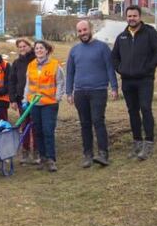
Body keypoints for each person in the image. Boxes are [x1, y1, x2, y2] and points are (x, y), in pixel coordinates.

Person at [111, 5, 157, 160]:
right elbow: (114, 57)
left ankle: (148, 143)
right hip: (128, 81)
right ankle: (137, 143)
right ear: (126, 17)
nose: (132, 19)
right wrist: (120, 69)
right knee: (132, 111)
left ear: (140, 17)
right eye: (129, 16)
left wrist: (148, 68)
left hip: (145, 80)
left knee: (145, 109)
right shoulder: (122, 36)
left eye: (134, 16)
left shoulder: (150, 33)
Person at [66, 20, 118, 168]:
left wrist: (114, 87)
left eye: (85, 30)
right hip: (80, 93)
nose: (83, 33)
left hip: (99, 91)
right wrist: (69, 92)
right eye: (80, 31)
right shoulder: (74, 50)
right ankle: (87, 155)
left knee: (98, 121)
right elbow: (70, 72)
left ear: (91, 29)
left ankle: (103, 154)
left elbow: (110, 68)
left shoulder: (102, 48)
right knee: (85, 124)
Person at [25, 40, 64, 172]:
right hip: (34, 104)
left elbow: (60, 82)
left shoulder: (54, 65)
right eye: (37, 49)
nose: (39, 50)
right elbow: (28, 84)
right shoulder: (31, 65)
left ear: (46, 50)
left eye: (41, 48)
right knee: (38, 131)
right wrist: (26, 99)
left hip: (49, 103)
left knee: (48, 130)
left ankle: (51, 159)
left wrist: (57, 97)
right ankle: (42, 158)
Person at [7, 37, 36, 163]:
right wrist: (12, 99)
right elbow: (12, 81)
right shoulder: (16, 63)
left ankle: (37, 151)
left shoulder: (36, 60)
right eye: (20, 47)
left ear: (29, 47)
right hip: (21, 99)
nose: (22, 49)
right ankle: (25, 151)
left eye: (24, 46)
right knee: (24, 125)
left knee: (35, 125)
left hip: (35, 98)